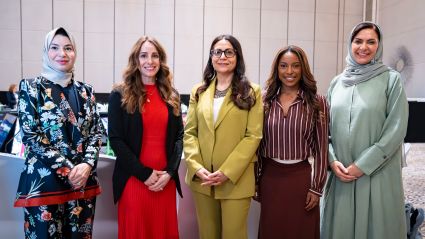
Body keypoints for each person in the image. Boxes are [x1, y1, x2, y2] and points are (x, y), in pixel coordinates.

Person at [14, 27, 104, 238]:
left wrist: (87, 165)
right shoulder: (31, 88)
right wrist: (71, 169)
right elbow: (31, 135)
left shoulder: (86, 91)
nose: (62, 54)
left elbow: (96, 132)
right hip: (46, 185)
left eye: (68, 48)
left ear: (75, 53)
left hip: (82, 185)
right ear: (46, 52)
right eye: (54, 48)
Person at [321, 21, 409, 239]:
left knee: (376, 228)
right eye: (358, 41)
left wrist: (362, 165)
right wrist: (332, 160)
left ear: (379, 46)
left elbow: (396, 128)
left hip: (377, 172)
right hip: (342, 173)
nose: (364, 47)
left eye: (371, 42)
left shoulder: (391, 80)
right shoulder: (337, 83)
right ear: (350, 44)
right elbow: (324, 129)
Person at [184, 34, 263, 239]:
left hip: (235, 180)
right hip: (203, 180)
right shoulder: (199, 91)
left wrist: (227, 171)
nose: (223, 56)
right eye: (217, 52)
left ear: (237, 57)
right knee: (207, 235)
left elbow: (253, 136)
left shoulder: (252, 91)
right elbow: (190, 132)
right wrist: (196, 167)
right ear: (211, 57)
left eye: (229, 52)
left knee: (233, 235)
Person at [108, 36, 183, 239]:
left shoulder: (171, 95)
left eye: (155, 56)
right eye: (144, 55)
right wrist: (144, 174)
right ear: (136, 60)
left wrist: (170, 172)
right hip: (134, 180)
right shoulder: (120, 94)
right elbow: (115, 139)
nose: (149, 61)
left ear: (161, 60)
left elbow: (178, 137)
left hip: (164, 182)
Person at [256, 45, 329, 239]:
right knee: (272, 231)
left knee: (301, 231)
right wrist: (256, 182)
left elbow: (322, 149)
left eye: (295, 66)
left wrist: (317, 187)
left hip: (302, 180)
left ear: (303, 69)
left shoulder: (317, 102)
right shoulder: (263, 101)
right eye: (284, 66)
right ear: (276, 69)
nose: (289, 71)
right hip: (270, 179)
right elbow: (255, 146)